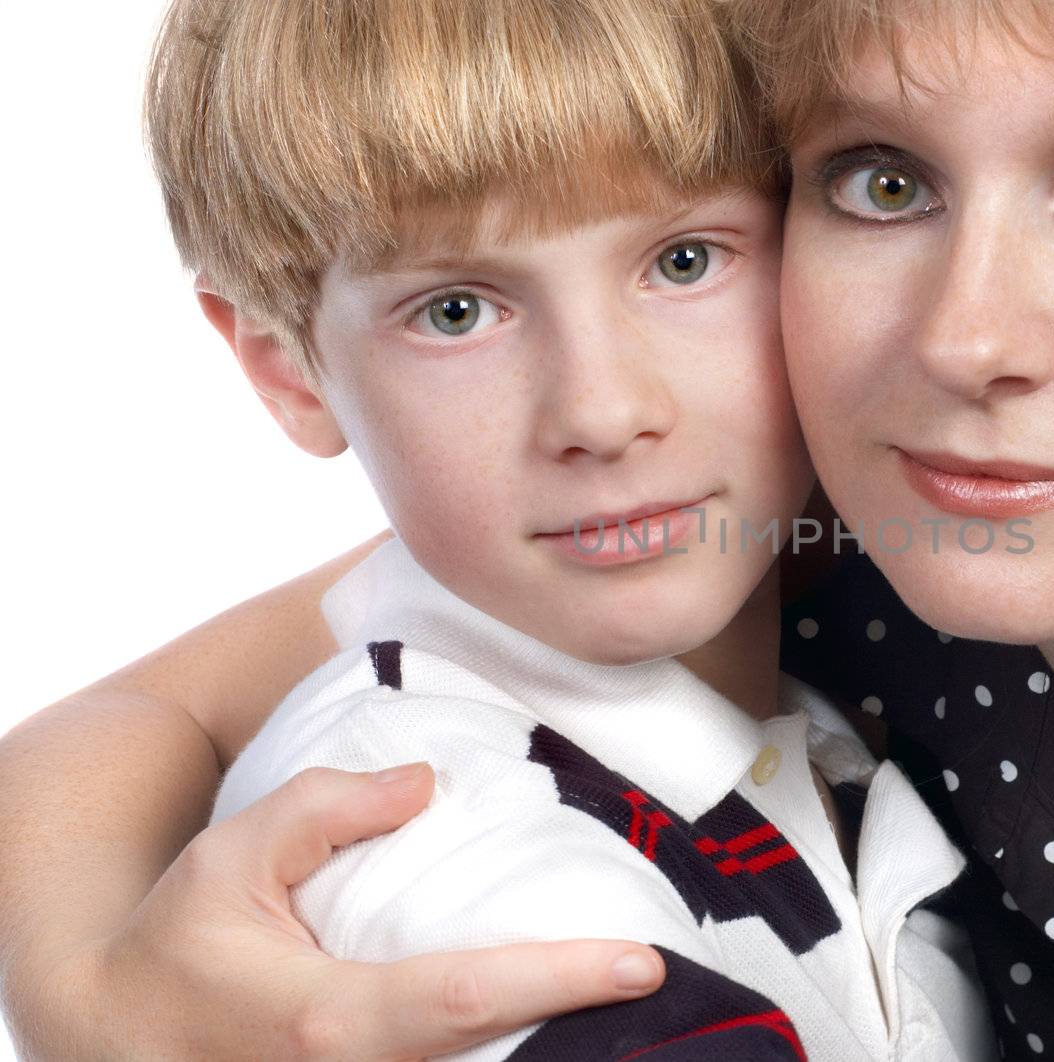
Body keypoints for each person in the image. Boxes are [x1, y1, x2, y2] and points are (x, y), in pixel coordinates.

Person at [4, 0, 1054, 1059]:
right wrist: (89, 997)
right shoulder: (837, 537)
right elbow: (127, 721)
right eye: (883, 182)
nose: (966, 340)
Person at [0, 0, 995, 1058]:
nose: (602, 413)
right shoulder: (469, 865)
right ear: (287, 370)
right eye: (456, 311)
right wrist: (76, 991)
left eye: (687, 262)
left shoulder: (823, 671)